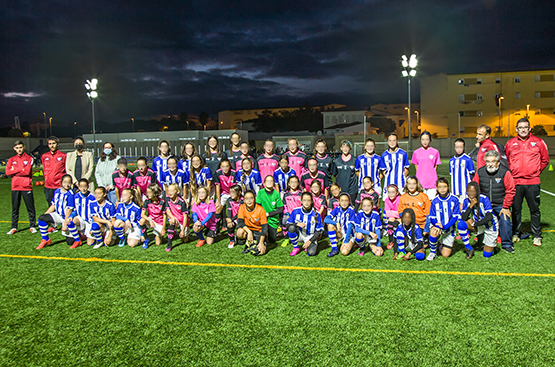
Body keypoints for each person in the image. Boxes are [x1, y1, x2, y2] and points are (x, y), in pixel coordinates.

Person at [505, 117, 549, 247]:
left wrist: (534, 172)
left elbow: (545, 160)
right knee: (516, 209)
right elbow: (507, 160)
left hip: (532, 182)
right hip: (516, 182)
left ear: (529, 129)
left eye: (525, 127)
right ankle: (516, 233)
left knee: (534, 210)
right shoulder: (510, 143)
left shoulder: (539, 142)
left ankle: (537, 236)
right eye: (520, 128)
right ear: (516, 129)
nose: (523, 130)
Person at [473, 150, 515, 253]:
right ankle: (480, 241)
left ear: (498, 162)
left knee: (505, 220)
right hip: (485, 205)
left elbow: (511, 190)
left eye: (493, 161)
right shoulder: (480, 172)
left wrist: (506, 207)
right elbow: (475, 187)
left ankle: (507, 244)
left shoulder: (505, 172)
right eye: (488, 161)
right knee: (477, 217)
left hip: (500, 204)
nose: (490, 164)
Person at [458, 182, 499, 259]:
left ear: (477, 191)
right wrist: (471, 205)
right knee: (461, 224)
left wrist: (475, 224)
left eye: (473, 191)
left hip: (489, 226)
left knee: (486, 255)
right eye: (469, 191)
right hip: (478, 224)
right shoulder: (466, 201)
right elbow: (463, 217)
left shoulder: (484, 199)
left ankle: (492, 246)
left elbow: (489, 217)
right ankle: (469, 249)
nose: (471, 193)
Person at [36, 174, 76, 249]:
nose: (67, 185)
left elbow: (69, 210)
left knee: (70, 242)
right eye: (65, 182)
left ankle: (79, 233)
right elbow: (53, 205)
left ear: (71, 183)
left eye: (69, 183)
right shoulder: (57, 191)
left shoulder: (70, 194)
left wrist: (65, 225)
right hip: (58, 215)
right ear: (61, 183)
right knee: (41, 218)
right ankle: (45, 239)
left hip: (66, 218)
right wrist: (45, 215)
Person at [6, 140, 37, 234]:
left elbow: (27, 172)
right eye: (17, 148)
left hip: (26, 186)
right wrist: (20, 169)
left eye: (20, 147)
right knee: (15, 208)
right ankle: (14, 227)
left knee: (30, 207)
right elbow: (7, 172)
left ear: (24, 147)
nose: (19, 149)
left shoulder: (29, 158)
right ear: (14, 149)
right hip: (15, 187)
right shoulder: (11, 159)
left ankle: (32, 226)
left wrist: (14, 170)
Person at [427, 178, 461, 260]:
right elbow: (432, 217)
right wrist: (437, 225)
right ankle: (433, 252)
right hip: (438, 226)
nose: (442, 189)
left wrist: (445, 227)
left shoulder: (454, 199)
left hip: (449, 228)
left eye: (444, 187)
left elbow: (455, 217)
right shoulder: (434, 201)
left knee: (445, 255)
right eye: (440, 187)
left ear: (448, 186)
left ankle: (439, 243)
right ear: (437, 188)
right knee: (434, 231)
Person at [286, 192, 324, 257]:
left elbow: (319, 231)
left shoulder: (316, 214)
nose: (306, 202)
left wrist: (309, 241)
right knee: (291, 228)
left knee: (312, 253)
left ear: (311, 201)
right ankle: (296, 247)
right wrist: (297, 224)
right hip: (300, 234)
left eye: (308, 200)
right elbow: (287, 225)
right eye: (304, 200)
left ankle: (307, 246)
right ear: (301, 201)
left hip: (310, 236)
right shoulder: (295, 211)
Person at [237, 190, 268, 256]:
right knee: (239, 232)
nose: (249, 201)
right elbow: (240, 222)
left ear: (254, 199)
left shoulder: (260, 209)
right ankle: (249, 243)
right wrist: (249, 232)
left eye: (251, 198)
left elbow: (265, 227)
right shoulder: (242, 207)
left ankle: (253, 243)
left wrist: (261, 242)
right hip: (248, 230)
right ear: (244, 200)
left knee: (261, 251)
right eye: (246, 199)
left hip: (259, 231)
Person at [411, 131, 441, 200]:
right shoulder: (416, 152)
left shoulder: (435, 152)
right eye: (423, 139)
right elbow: (417, 167)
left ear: (430, 140)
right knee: (421, 202)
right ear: (420, 140)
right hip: (421, 182)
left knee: (431, 202)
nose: (425, 141)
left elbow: (435, 167)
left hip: (432, 182)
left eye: (427, 139)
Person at [324, 193, 355, 257]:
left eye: (346, 201)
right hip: (340, 232)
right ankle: (334, 248)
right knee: (330, 226)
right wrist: (336, 223)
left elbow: (350, 226)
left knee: (344, 252)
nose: (344, 203)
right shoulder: (336, 209)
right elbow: (326, 219)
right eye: (342, 201)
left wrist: (346, 240)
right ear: (338, 201)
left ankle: (349, 244)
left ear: (349, 201)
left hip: (349, 234)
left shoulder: (351, 210)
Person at [256, 175, 284, 245]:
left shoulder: (276, 194)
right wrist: (262, 215)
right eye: (267, 181)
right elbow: (257, 205)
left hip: (272, 221)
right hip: (262, 219)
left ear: (274, 183)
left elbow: (280, 209)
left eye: (271, 181)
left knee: (272, 240)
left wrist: (268, 214)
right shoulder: (260, 192)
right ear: (264, 183)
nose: (269, 182)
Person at [139, 183, 167, 249]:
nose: (147, 194)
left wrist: (163, 228)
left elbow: (165, 216)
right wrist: (150, 220)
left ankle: (158, 235)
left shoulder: (162, 202)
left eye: (149, 192)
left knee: (158, 243)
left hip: (159, 223)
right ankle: (146, 239)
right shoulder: (147, 201)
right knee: (142, 221)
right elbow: (142, 214)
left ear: (155, 193)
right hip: (150, 221)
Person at [70, 178, 96, 248]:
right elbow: (75, 210)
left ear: (88, 186)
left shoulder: (93, 197)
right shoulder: (76, 196)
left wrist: (93, 227)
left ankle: (97, 233)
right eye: (81, 187)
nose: (83, 189)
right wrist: (71, 216)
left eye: (85, 186)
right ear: (78, 187)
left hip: (89, 221)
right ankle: (77, 240)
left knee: (90, 243)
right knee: (70, 222)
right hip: (81, 218)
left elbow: (95, 213)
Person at [41, 136, 66, 206]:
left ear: (57, 144)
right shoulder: (44, 156)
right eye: (50, 144)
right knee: (50, 206)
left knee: (60, 205)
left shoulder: (63, 156)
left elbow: (65, 170)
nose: (52, 145)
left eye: (53, 143)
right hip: (48, 186)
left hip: (59, 185)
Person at [449, 138, 475, 204]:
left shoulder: (467, 159)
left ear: (464, 147)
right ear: (454, 147)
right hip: (454, 189)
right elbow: (451, 175)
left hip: (464, 189)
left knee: (464, 206)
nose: (459, 149)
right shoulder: (451, 161)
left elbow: (472, 174)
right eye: (457, 147)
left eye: (461, 147)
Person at [165, 183, 189, 251]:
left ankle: (185, 234)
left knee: (185, 240)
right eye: (169, 191)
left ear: (177, 191)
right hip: (175, 219)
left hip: (182, 221)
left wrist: (183, 230)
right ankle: (169, 244)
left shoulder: (182, 202)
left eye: (172, 191)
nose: (170, 193)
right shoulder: (167, 199)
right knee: (172, 221)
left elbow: (185, 217)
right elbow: (168, 210)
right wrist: (172, 217)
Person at [383, 184, 401, 250]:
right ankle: (391, 241)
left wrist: (393, 213)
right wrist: (395, 213)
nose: (391, 194)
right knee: (390, 220)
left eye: (393, 192)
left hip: (401, 217)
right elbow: (387, 213)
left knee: (395, 222)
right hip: (393, 217)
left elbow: (400, 213)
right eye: (389, 192)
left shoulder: (399, 199)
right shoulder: (387, 200)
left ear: (397, 192)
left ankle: (397, 241)